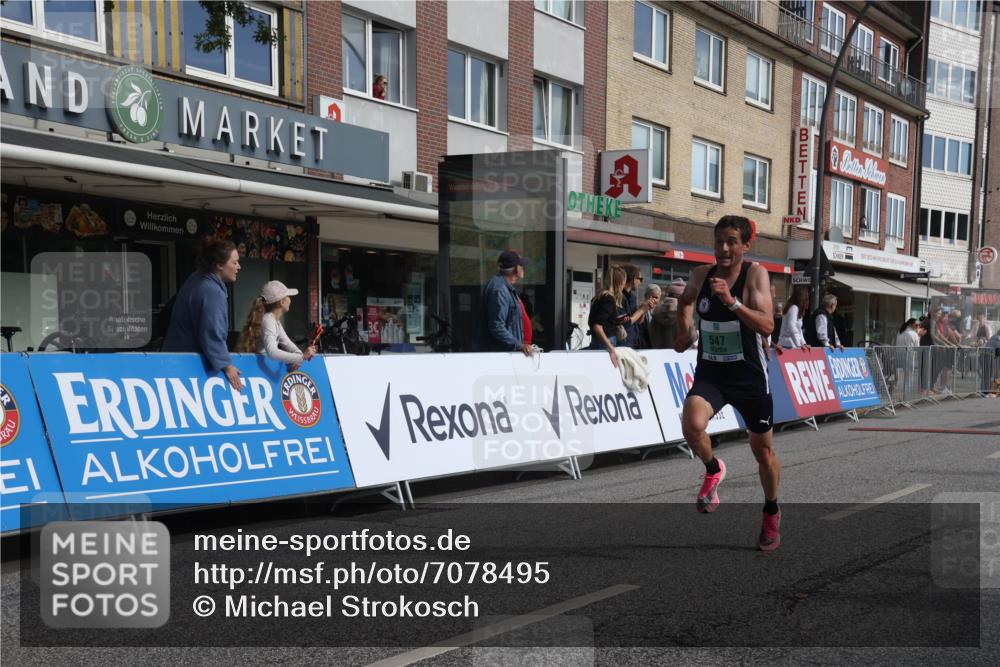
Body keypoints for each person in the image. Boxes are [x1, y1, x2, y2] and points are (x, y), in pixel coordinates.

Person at [674, 216, 780, 552]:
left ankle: (771, 511)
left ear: (746, 244)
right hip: (712, 374)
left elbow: (766, 326)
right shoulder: (701, 275)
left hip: (749, 377)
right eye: (719, 240)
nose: (723, 248)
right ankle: (713, 468)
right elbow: (685, 300)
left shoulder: (755, 275)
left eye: (732, 241)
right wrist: (684, 331)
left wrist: (732, 302)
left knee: (763, 453)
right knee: (692, 424)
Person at [163, 240, 244, 391]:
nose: (238, 267)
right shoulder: (213, 292)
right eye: (234, 263)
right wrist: (226, 365)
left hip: (171, 361)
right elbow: (212, 333)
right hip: (188, 368)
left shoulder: (195, 278)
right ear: (219, 265)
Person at [235, 280, 316, 371]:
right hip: (256, 369)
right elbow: (272, 352)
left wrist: (299, 358)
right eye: (288, 296)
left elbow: (288, 344)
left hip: (259, 368)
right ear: (281, 302)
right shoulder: (268, 320)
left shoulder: (274, 321)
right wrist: (302, 357)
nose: (290, 299)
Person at [474, 250, 534, 356]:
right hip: (501, 356)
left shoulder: (503, 287)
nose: (523, 268)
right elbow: (497, 327)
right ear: (516, 269)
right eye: (521, 265)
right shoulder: (499, 289)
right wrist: (519, 345)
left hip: (505, 354)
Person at [587, 265, 628, 368]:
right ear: (620, 282)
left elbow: (598, 321)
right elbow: (597, 326)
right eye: (624, 281)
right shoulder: (609, 298)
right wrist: (611, 348)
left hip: (598, 341)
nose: (624, 285)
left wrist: (616, 321)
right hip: (605, 343)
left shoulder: (599, 295)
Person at [648, 278, 696, 350]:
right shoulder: (684, 313)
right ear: (682, 296)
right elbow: (692, 337)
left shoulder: (656, 312)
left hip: (658, 354)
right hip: (680, 354)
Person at [776, 286, 810, 351]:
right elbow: (792, 327)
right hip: (787, 345)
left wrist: (803, 343)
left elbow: (798, 329)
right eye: (807, 296)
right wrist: (799, 344)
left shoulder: (796, 309)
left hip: (792, 344)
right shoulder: (794, 308)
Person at [895, 318, 920, 397]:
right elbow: (917, 347)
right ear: (910, 324)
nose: (918, 326)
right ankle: (907, 394)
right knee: (909, 375)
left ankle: (903, 393)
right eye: (916, 325)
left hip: (899, 354)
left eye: (919, 325)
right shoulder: (912, 333)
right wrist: (919, 335)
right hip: (908, 356)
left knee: (904, 374)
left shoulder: (901, 331)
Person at [635, 283, 661, 348]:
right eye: (652, 297)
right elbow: (638, 324)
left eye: (656, 298)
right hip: (642, 346)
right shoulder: (638, 309)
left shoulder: (660, 312)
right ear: (645, 296)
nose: (653, 300)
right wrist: (645, 309)